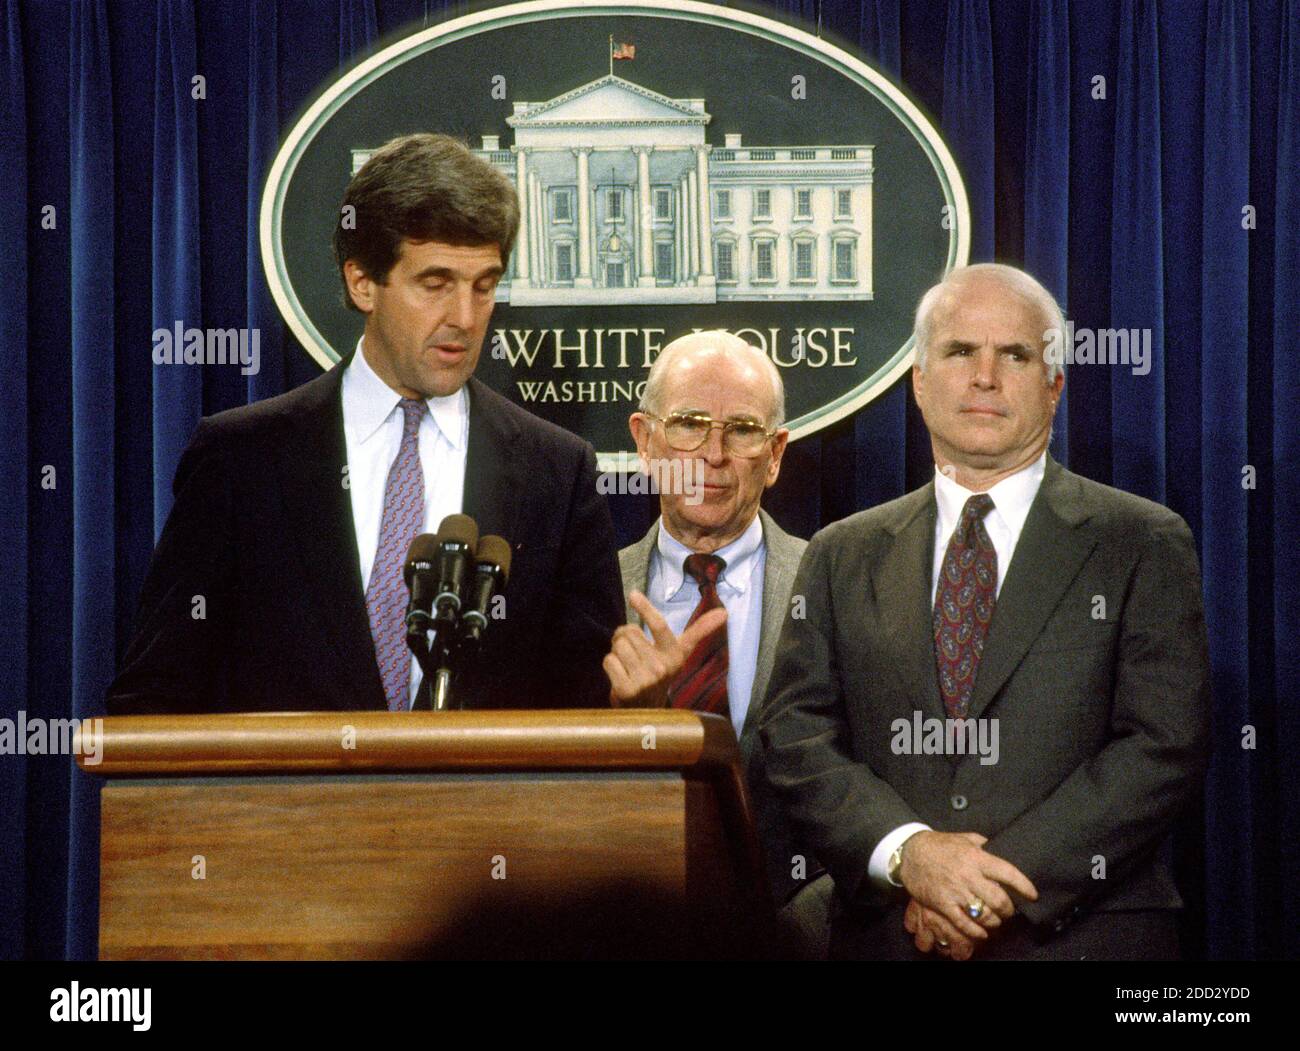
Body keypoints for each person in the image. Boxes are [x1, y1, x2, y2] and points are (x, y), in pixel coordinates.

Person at [758, 263, 1211, 960]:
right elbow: (796, 737)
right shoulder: (840, 553)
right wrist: (910, 855)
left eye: (1016, 355)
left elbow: (1162, 745)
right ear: (918, 380)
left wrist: (976, 886)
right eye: (960, 351)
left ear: (1054, 384)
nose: (985, 376)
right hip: (889, 938)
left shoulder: (1142, 541)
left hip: (1083, 937)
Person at [108, 133, 624, 714]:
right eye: (435, 284)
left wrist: (640, 699)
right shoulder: (240, 459)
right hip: (286, 807)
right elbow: (153, 698)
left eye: (484, 287)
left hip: (485, 806)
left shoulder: (556, 470)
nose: (464, 317)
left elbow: (588, 708)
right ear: (362, 284)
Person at [605, 330, 831, 958]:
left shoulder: (836, 584)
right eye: (689, 425)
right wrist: (633, 723)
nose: (713, 454)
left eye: (743, 430)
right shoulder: (588, 593)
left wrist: (798, 933)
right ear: (645, 442)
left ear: (776, 453)